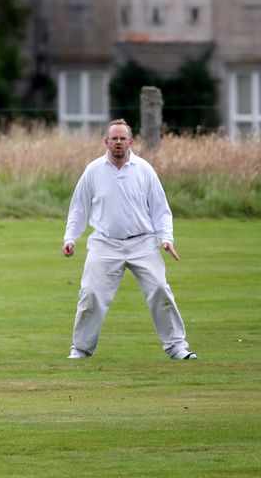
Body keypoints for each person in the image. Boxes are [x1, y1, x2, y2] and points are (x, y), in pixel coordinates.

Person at [62, 118, 197, 361]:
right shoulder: (93, 170)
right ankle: (80, 350)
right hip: (104, 243)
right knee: (91, 293)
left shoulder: (144, 169)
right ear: (106, 142)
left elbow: (160, 209)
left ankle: (177, 347)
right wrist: (70, 238)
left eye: (123, 138)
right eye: (113, 138)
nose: (118, 143)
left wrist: (166, 238)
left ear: (131, 142)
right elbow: (78, 209)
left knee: (159, 289)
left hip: (142, 243)